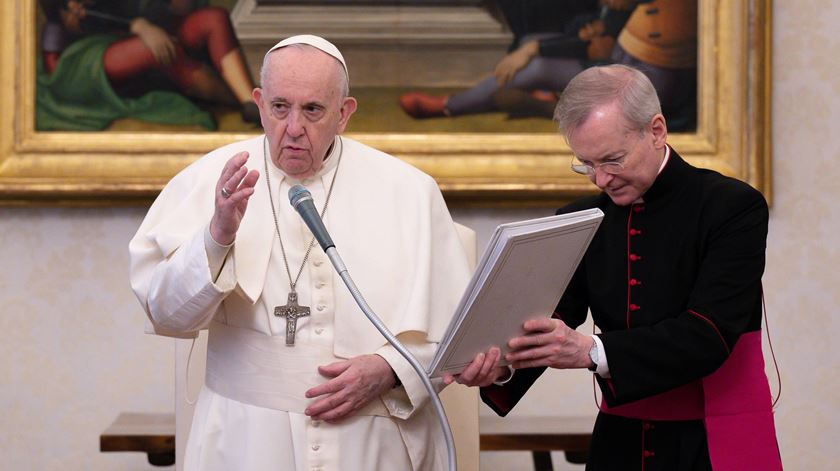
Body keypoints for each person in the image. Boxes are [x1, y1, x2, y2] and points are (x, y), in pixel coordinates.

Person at [129, 35, 472, 471]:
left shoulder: (409, 192)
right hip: (244, 443)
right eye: (279, 107)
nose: (293, 128)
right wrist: (216, 237)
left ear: (344, 113)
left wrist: (391, 371)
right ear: (259, 103)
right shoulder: (208, 181)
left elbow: (460, 339)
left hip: (373, 444)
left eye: (312, 110)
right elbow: (165, 314)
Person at [447, 65, 781, 470]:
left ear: (656, 131)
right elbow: (550, 318)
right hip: (619, 443)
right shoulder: (580, 216)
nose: (601, 179)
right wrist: (499, 366)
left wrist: (591, 350)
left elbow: (709, 332)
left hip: (712, 441)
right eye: (585, 164)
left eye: (613, 160)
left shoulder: (731, 206)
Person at [37, 0, 259, 131]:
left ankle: (250, 102)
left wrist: (176, 6)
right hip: (81, 58)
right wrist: (138, 25)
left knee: (213, 19)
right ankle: (238, 101)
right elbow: (74, 15)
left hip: (148, 31)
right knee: (162, 51)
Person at [399, 0, 636, 120]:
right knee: (533, 40)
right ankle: (545, 95)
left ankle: (448, 106)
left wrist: (535, 49)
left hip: (610, 71)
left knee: (537, 63)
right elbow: (582, 32)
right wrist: (584, 29)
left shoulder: (631, 7)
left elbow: (598, 50)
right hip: (590, 60)